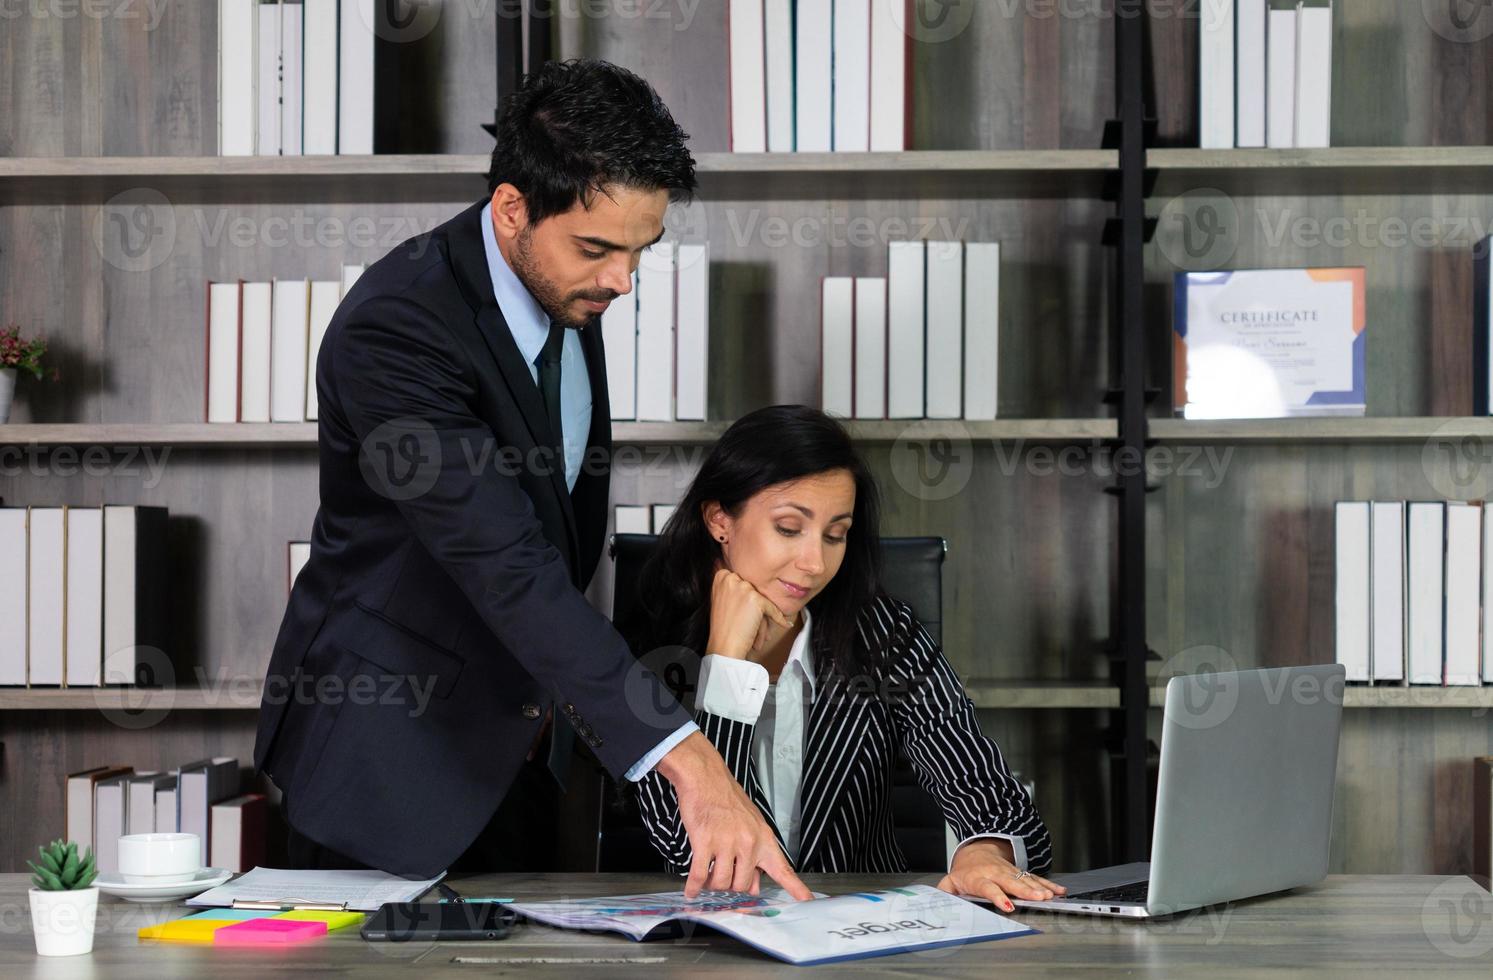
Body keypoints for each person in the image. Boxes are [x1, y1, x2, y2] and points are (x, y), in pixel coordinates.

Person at [252, 59, 809, 900]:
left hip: (517, 754)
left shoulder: (564, 291)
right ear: (512, 208)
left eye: (640, 251)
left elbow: (559, 531)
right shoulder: (395, 330)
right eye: (598, 249)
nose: (622, 281)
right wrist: (690, 760)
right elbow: (505, 563)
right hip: (384, 766)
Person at [620, 406, 1068, 912]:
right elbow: (694, 851)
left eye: (835, 534)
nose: (814, 563)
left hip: (867, 940)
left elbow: (990, 793)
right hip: (715, 948)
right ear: (720, 519)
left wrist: (983, 854)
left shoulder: (883, 634)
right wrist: (726, 666)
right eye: (789, 528)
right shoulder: (649, 653)